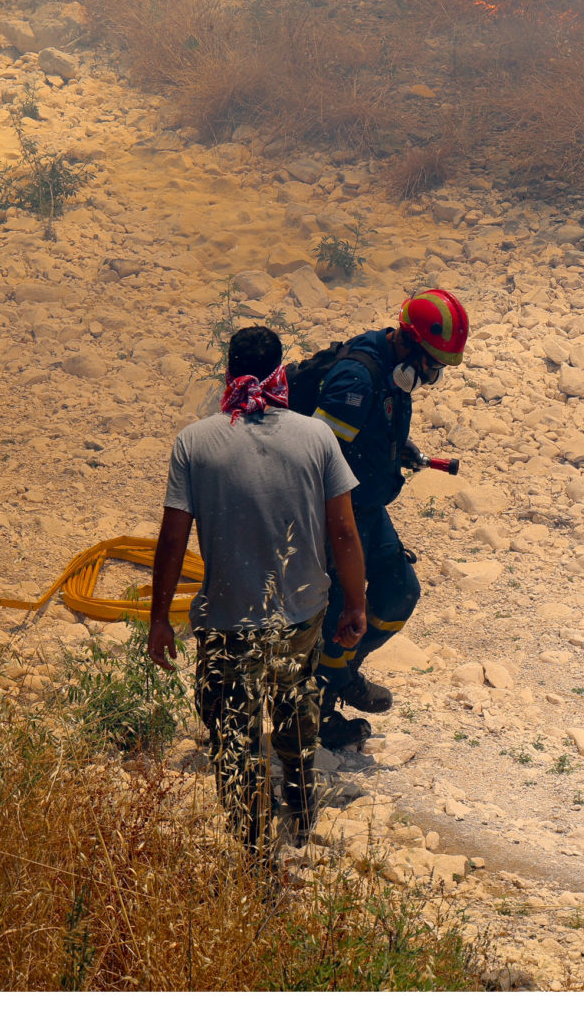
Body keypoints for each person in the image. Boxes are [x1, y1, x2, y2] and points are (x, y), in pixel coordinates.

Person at [148, 325, 367, 854]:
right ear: (279, 373)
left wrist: (159, 618)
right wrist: (356, 603)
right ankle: (301, 817)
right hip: (300, 616)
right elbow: (343, 530)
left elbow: (173, 537)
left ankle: (252, 849)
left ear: (228, 372)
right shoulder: (316, 438)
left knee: (233, 738)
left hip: (226, 622)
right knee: (295, 721)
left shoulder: (194, 442)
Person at [308, 287, 470, 750]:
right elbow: (317, 459)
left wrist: (397, 451)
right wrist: (334, 543)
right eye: (432, 366)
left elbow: (367, 435)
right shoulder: (355, 381)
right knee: (339, 609)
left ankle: (341, 672)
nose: (433, 376)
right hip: (335, 514)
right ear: (408, 345)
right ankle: (318, 709)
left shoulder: (394, 378)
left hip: (366, 507)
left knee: (400, 593)